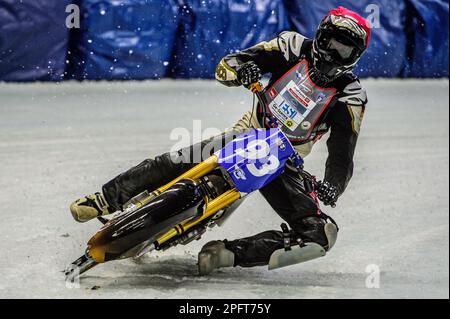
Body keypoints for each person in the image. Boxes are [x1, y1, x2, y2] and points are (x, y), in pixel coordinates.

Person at [70, 6, 371, 275]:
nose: (332, 56)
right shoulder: (290, 46)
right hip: (249, 130)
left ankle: (229, 254)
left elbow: (343, 153)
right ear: (320, 37)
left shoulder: (351, 96)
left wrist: (334, 185)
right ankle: (104, 199)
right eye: (331, 45)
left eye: (343, 52)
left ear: (354, 58)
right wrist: (243, 69)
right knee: (180, 158)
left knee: (322, 235)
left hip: (282, 160)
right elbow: (227, 64)